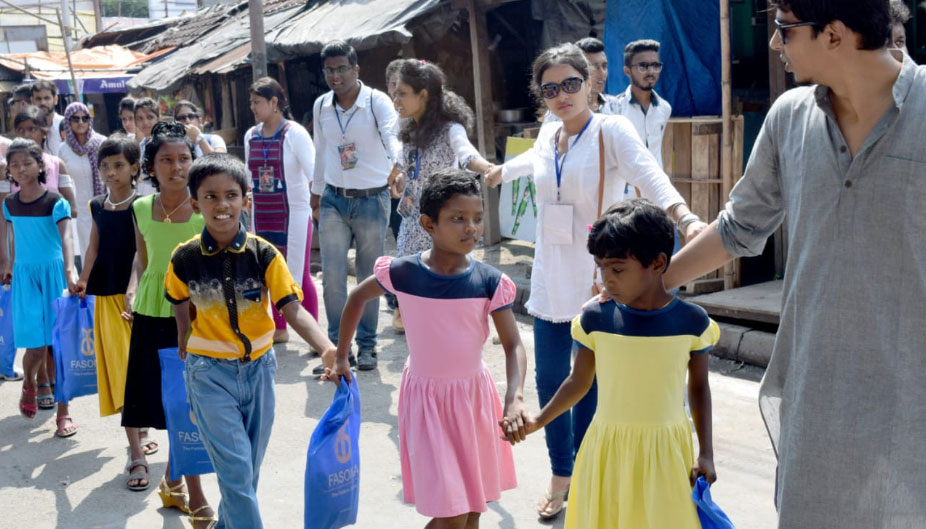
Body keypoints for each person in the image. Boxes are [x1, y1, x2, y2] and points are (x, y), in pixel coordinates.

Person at [661, 1, 926, 527]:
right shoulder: (790, 118)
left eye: (784, 29)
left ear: (833, 34)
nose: (775, 44)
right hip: (817, 390)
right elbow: (739, 226)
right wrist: (655, 284)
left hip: (913, 391)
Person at [485, 43, 706, 519]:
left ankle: (587, 477)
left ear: (589, 83)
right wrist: (500, 171)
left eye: (570, 84)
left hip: (597, 278)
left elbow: (650, 174)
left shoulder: (612, 129)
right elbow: (531, 164)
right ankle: (561, 473)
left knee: (586, 387)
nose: (561, 95)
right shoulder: (548, 134)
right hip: (549, 276)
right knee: (550, 383)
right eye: (550, 88)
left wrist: (685, 218)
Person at [325, 170, 528, 529]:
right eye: (457, 219)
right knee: (452, 515)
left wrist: (515, 397)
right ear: (428, 223)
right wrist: (342, 356)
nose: (471, 228)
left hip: (474, 400)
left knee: (473, 509)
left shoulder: (489, 281)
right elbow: (356, 297)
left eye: (477, 219)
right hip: (427, 402)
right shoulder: (404, 273)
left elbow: (513, 346)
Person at [505, 199, 719, 528]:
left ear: (658, 263)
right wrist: (538, 420)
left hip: (666, 454)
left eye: (617, 269)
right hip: (606, 452)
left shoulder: (691, 322)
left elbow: (699, 387)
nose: (607, 279)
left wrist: (706, 452)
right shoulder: (595, 318)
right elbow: (579, 382)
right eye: (601, 268)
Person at [164, 153, 337, 529]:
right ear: (195, 203)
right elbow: (177, 299)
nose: (221, 205)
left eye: (230, 195)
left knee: (245, 474)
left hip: (259, 372)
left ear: (247, 200)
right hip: (208, 376)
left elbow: (293, 310)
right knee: (238, 473)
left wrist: (327, 347)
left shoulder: (264, 254)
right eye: (210, 196)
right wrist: (183, 336)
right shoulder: (185, 258)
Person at [121, 121, 214, 526]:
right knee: (163, 402)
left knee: (186, 403)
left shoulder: (204, 208)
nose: (177, 167)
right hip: (149, 314)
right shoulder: (140, 208)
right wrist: (130, 290)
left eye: (184, 159)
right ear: (150, 166)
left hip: (193, 317)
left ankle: (188, 490)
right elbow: (143, 261)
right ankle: (177, 486)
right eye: (166, 160)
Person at [310, 40, 401, 372]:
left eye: (341, 69)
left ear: (356, 69)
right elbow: (321, 153)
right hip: (334, 199)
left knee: (367, 277)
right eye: (329, 70)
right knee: (332, 275)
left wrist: (399, 165)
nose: (335, 76)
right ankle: (335, 348)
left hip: (372, 200)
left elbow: (393, 137)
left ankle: (367, 346)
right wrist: (316, 194)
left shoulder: (377, 103)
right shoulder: (322, 106)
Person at [389, 59, 495, 333]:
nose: (395, 99)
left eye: (402, 93)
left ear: (422, 94)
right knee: (409, 292)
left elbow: (467, 154)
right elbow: (408, 165)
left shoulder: (450, 129)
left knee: (441, 291)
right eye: (395, 93)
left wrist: (489, 169)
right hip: (413, 223)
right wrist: (401, 177)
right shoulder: (408, 130)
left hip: (443, 225)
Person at [73, 135, 152, 490]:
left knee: (143, 371)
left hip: (135, 299)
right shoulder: (96, 205)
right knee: (121, 375)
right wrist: (82, 279)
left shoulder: (144, 205)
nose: (110, 172)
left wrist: (134, 292)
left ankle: (143, 428)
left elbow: (140, 253)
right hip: (104, 296)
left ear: (134, 168)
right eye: (104, 166)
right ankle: (136, 453)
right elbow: (93, 246)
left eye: (118, 165)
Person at [2, 138, 79, 437]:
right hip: (24, 275)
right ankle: (30, 383)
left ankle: (64, 412)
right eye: (15, 165)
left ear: (39, 165)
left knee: (59, 347)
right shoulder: (9, 204)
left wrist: (70, 271)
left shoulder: (55, 202)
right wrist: (6, 263)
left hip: (54, 275)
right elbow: (6, 235)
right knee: (33, 345)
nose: (21, 169)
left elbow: (67, 238)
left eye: (26, 163)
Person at [244, 78, 319, 344]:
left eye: (257, 101)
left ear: (274, 102)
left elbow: (314, 174)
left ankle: (314, 334)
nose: (252, 107)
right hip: (262, 214)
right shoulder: (250, 135)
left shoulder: (295, 133)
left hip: (294, 214)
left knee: (297, 275)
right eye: (251, 102)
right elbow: (247, 176)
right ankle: (280, 328)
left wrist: (317, 206)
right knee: (267, 272)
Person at [59, 102, 107, 257]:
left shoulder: (102, 143)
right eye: (75, 118)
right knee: (85, 250)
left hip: (103, 204)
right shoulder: (63, 150)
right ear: (68, 121)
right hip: (78, 210)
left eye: (85, 118)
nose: (80, 122)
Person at [615, 39, 672, 170]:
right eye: (643, 66)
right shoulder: (616, 109)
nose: (651, 72)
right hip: (626, 188)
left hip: (655, 186)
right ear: (627, 71)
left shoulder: (664, 108)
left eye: (656, 66)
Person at [385, 58, 406, 246]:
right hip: (392, 184)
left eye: (402, 83)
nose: (397, 89)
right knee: (401, 234)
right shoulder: (383, 111)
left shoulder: (412, 113)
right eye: (393, 84)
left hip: (409, 181)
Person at [30, 81, 64, 157]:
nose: (43, 103)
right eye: (38, 99)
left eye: (47, 98)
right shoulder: (29, 128)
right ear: (32, 101)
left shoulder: (66, 125)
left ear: (55, 100)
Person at [133, 97, 160, 196]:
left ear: (158, 118)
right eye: (140, 118)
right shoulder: (140, 146)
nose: (145, 123)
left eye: (149, 117)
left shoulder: (166, 144)